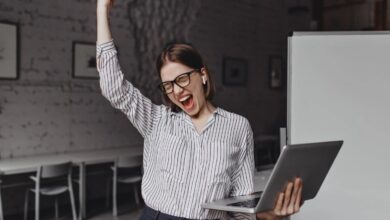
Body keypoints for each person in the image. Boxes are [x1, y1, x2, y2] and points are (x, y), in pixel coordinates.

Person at [96, 0, 302, 219]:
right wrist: (102, 9)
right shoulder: (156, 120)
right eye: (168, 85)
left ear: (202, 75)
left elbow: (242, 207)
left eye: (182, 79)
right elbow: (114, 88)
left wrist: (271, 215)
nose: (176, 90)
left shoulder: (238, 126)